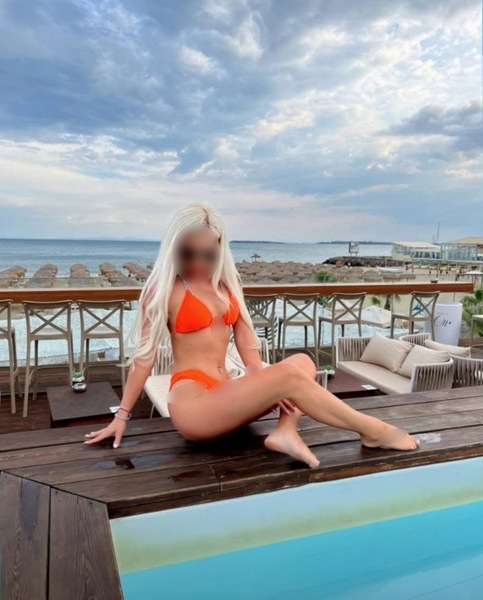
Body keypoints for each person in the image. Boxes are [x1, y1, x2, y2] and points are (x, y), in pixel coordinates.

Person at [84, 202, 420, 468]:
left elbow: (247, 341)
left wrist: (262, 381)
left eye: (208, 254)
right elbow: (144, 358)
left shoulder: (226, 284)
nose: (198, 263)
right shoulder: (163, 289)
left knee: (302, 362)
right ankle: (374, 431)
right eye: (188, 253)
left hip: (227, 393)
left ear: (220, 250)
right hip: (194, 406)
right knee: (288, 375)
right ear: (173, 248)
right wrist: (121, 416)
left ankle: (285, 430)